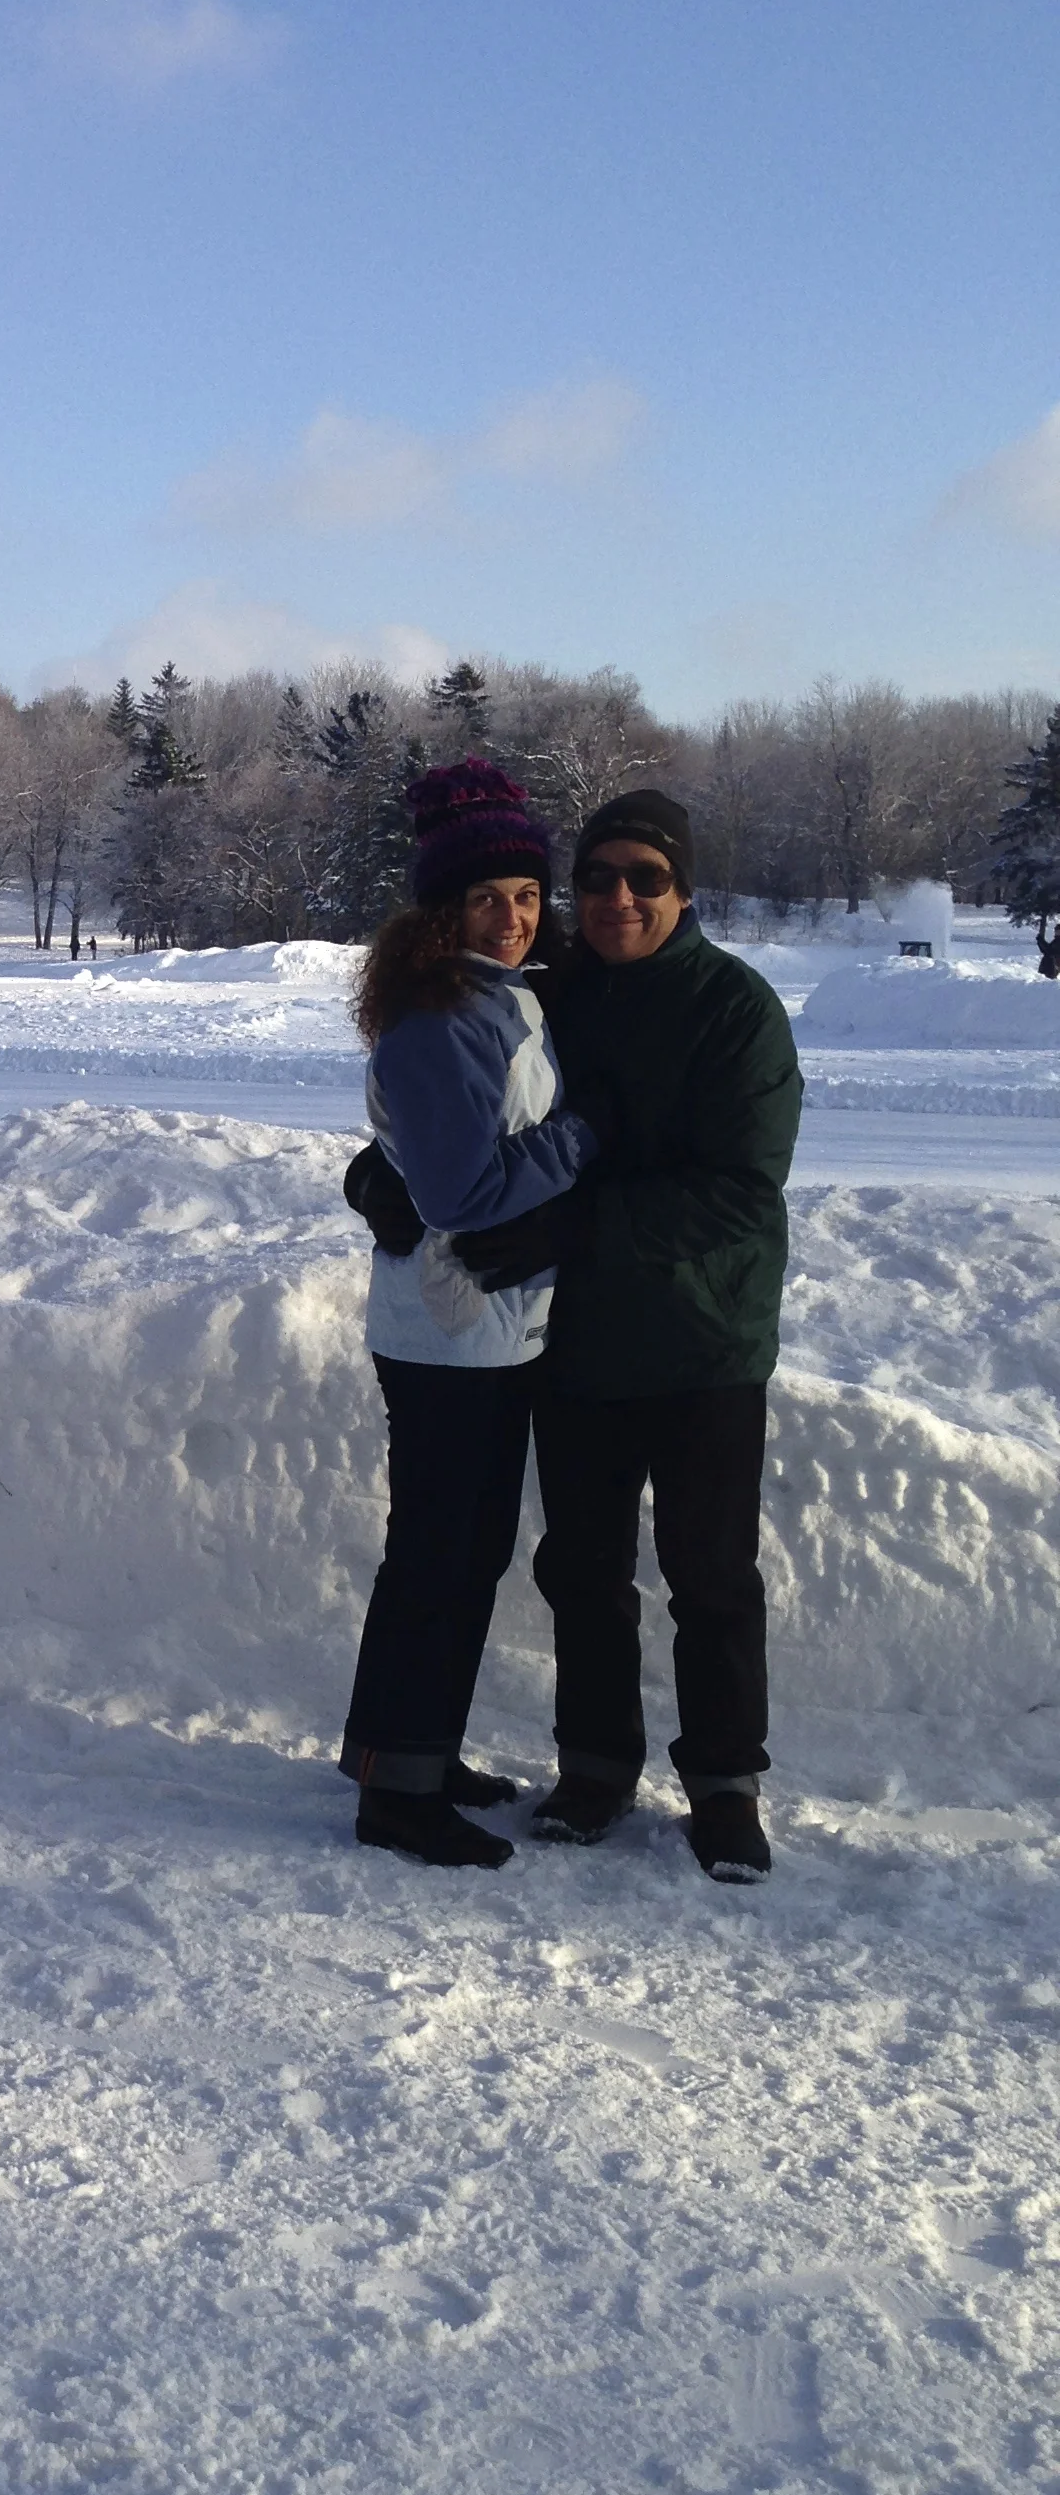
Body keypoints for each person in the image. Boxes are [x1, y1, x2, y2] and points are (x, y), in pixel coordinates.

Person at [351, 788, 802, 1882]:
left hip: (702, 1339)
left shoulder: (734, 1010)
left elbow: (743, 1193)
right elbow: (449, 1114)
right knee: (580, 1570)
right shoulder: (551, 989)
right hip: (576, 1343)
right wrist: (377, 1183)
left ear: (685, 891)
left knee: (711, 1575)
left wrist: (570, 1216)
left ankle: (726, 1789)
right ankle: (596, 1769)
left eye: (645, 878)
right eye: (595, 878)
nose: (617, 898)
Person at [338, 761, 598, 1869]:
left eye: (528, 896)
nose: (512, 917)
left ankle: (411, 1752)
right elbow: (463, 1194)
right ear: (441, 910)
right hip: (448, 1336)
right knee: (441, 1555)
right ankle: (399, 1792)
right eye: (486, 899)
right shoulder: (444, 1017)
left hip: (484, 1328)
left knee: (462, 1551)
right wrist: (589, 1138)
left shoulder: (498, 997)